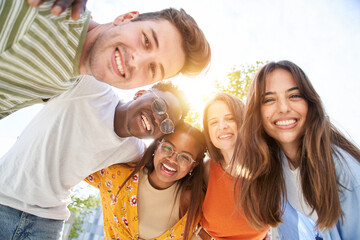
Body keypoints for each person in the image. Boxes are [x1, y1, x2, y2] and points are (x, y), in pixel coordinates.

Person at [0, 76, 189, 239]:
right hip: (3, 194)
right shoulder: (92, 87)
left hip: (46, 220)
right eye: (159, 106)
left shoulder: (134, 151)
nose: (158, 118)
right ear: (140, 93)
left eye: (166, 124)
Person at [0, 0, 211, 119]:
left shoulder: (67, 81)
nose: (136, 61)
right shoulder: (45, 10)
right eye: (146, 40)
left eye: (153, 69)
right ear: (125, 18)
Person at [235, 60, 360, 239]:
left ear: (310, 103)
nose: (284, 108)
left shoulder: (348, 176)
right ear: (257, 112)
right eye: (269, 99)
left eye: (294, 96)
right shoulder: (273, 162)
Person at [85, 121, 206, 239]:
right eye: (167, 147)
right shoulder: (119, 173)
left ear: (194, 165)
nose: (172, 159)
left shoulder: (194, 202)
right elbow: (78, 155)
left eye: (185, 157)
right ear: (157, 145)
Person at [192, 93, 270, 240]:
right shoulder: (205, 170)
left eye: (230, 119)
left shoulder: (267, 165)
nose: (222, 126)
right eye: (213, 122)